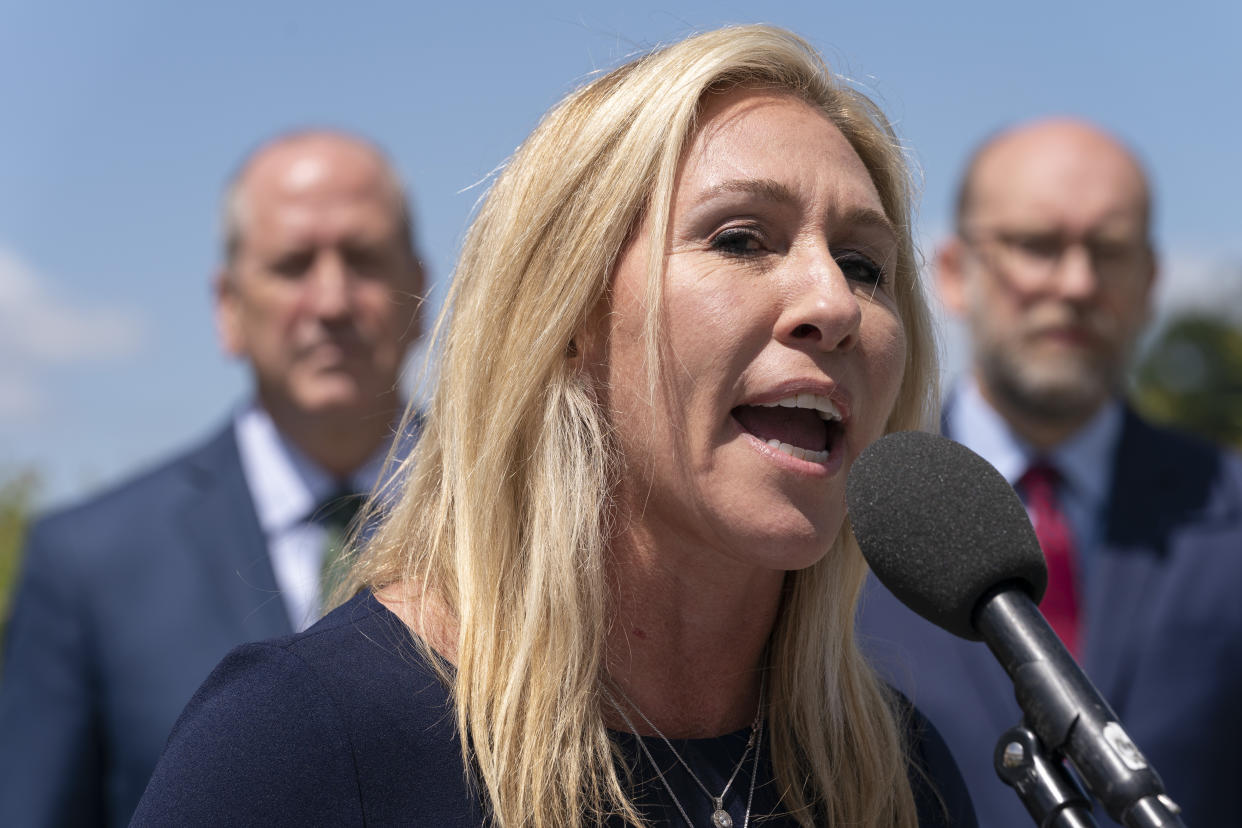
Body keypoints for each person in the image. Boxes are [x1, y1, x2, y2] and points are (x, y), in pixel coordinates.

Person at [133, 25, 977, 828]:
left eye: (865, 265)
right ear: (568, 312)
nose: (832, 304)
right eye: (742, 239)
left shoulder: (897, 776)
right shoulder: (298, 743)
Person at [0, 130, 425, 827]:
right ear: (228, 307)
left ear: (421, 291)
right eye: (292, 265)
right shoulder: (87, 566)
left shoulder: (532, 524)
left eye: (364, 260)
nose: (331, 301)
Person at [857, 118, 1242, 826]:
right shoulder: (845, 522)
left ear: (1150, 280)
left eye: (1109, 249)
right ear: (953, 272)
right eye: (1036, 245)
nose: (1076, 282)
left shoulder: (1231, 511)